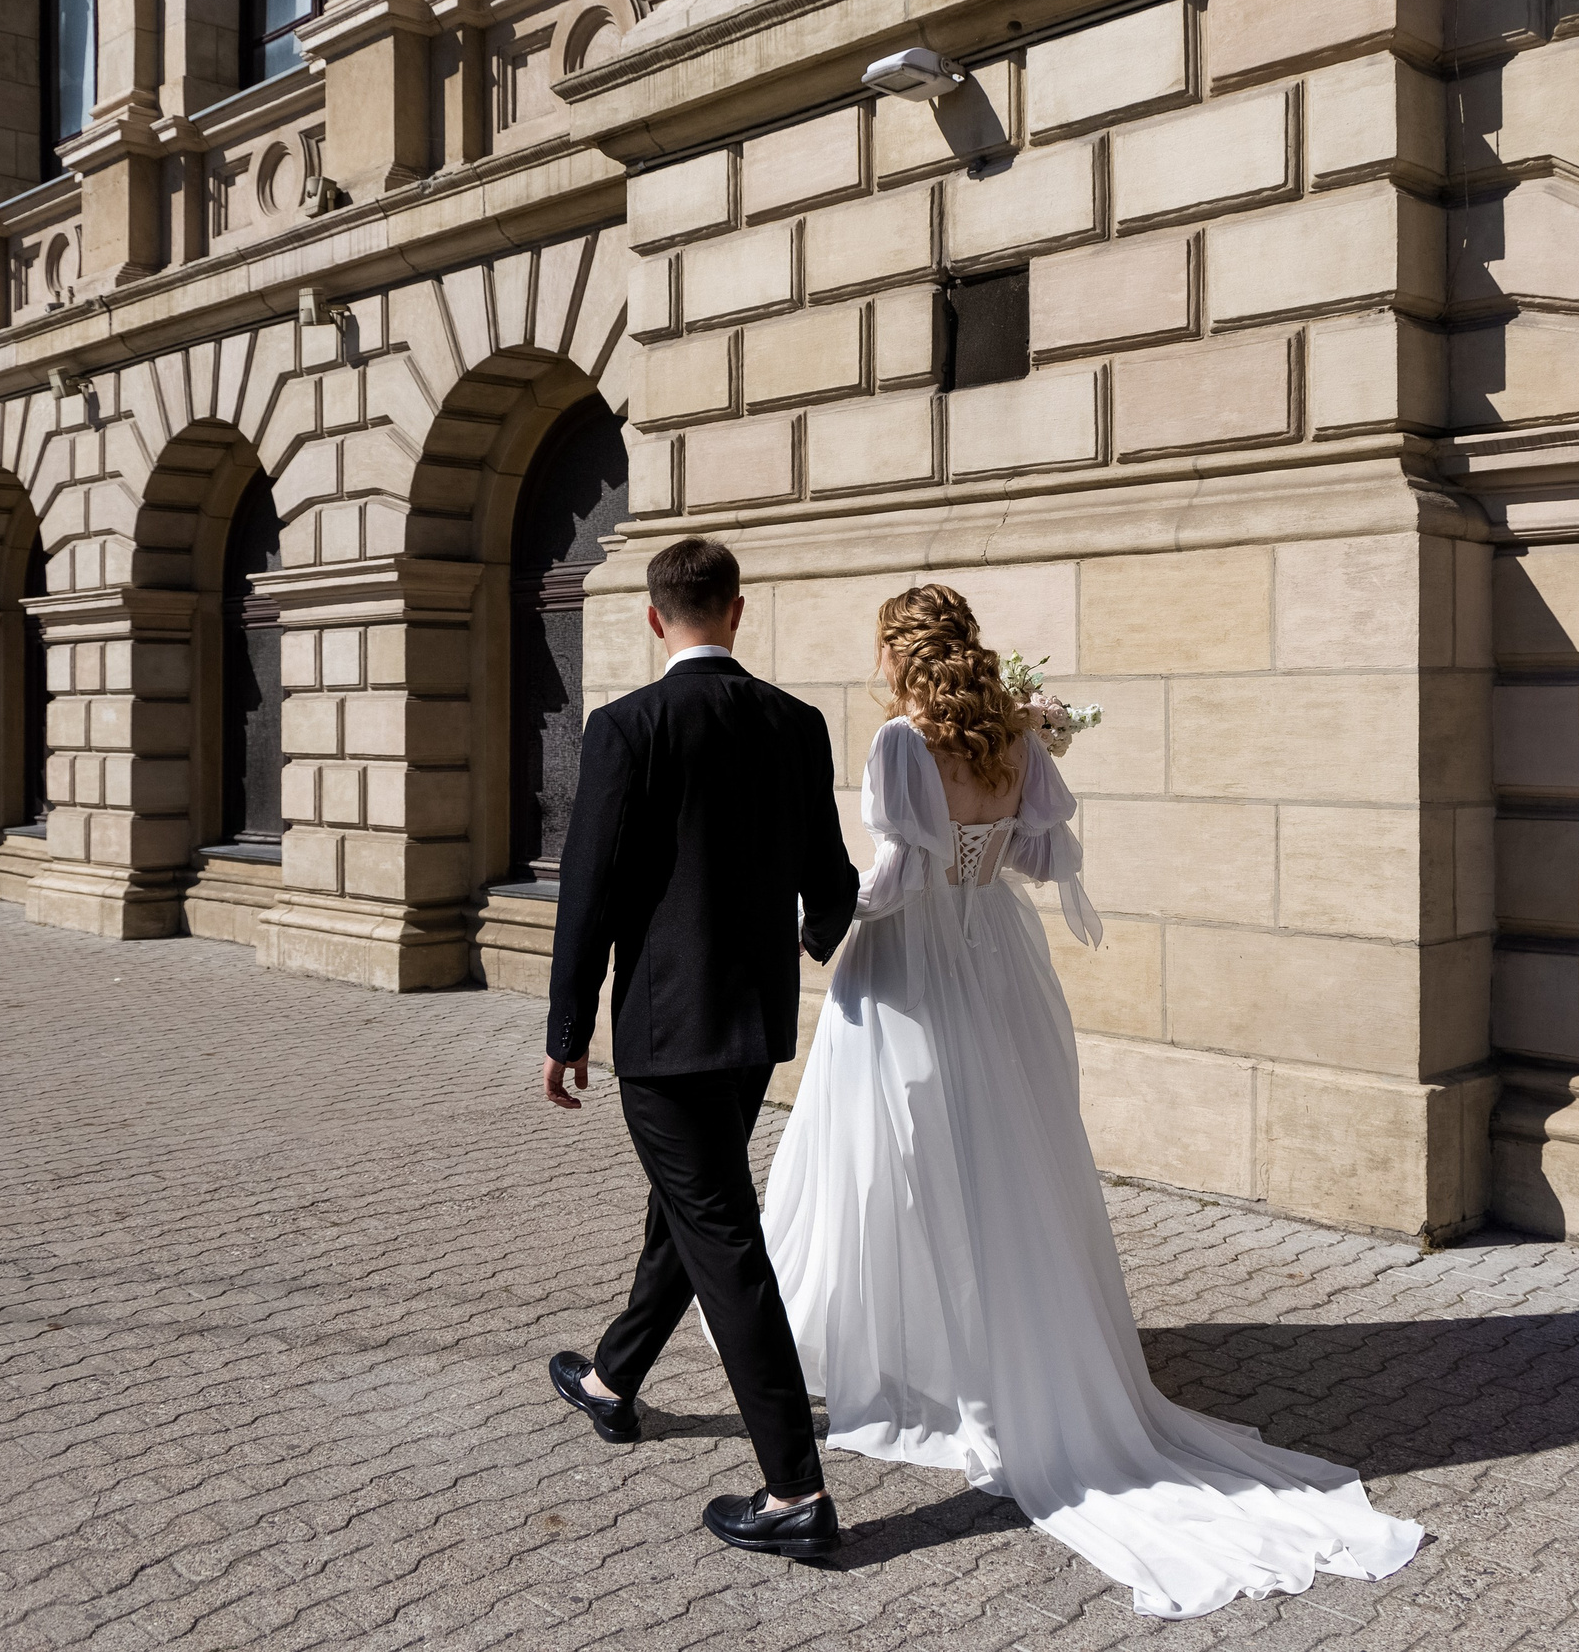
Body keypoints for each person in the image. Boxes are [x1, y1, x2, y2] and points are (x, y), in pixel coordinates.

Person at [761, 583, 1425, 1618]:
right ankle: (987, 1350)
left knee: (895, 1158)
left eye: (880, 645)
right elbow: (1038, 857)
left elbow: (895, 878)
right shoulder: (1014, 739)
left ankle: (914, 1361)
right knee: (1004, 1163)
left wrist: (823, 903)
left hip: (913, 970)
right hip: (999, 964)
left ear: (902, 650)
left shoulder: (899, 743)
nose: (875, 662)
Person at [540, 535, 859, 1560]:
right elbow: (833, 880)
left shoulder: (627, 726)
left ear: (652, 617)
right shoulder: (796, 722)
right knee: (690, 1206)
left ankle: (794, 1489)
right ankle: (613, 1378)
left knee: (722, 1234)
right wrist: (810, 938)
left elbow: (587, 890)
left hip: (666, 1030)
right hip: (753, 1024)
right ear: (736, 610)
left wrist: (566, 1027)